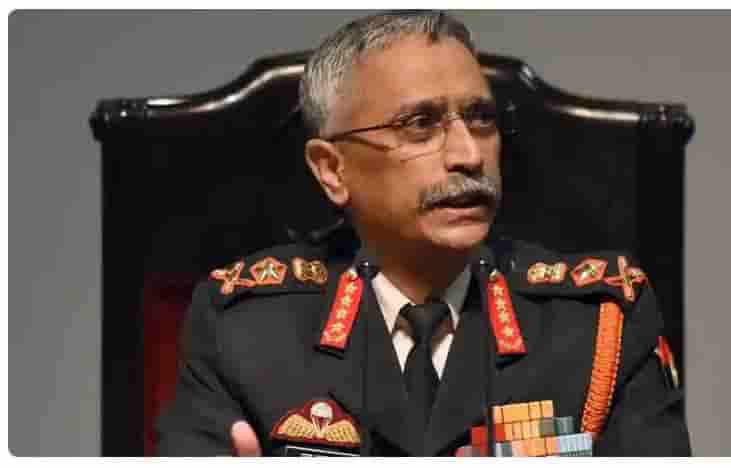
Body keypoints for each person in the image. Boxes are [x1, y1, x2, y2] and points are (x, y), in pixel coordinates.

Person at [156, 11, 691, 456]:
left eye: (480, 119)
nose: (468, 154)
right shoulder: (244, 328)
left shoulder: (599, 324)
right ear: (332, 169)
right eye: (420, 125)